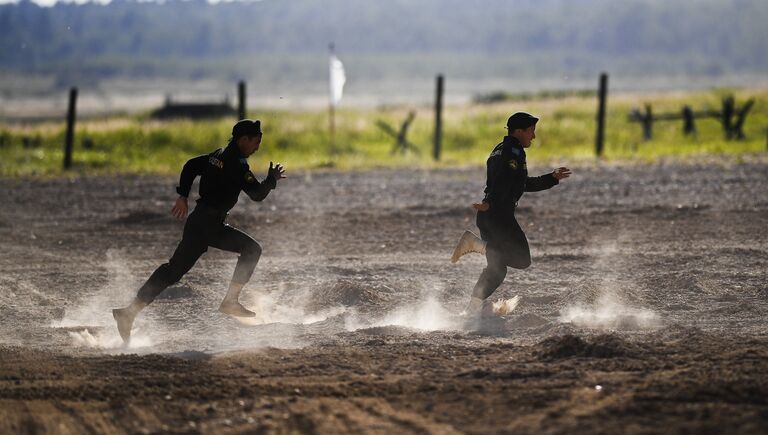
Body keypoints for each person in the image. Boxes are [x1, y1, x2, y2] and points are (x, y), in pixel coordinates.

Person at [112, 119, 286, 343]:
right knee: (252, 250)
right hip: (208, 224)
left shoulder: (218, 155)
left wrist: (183, 195)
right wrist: (271, 180)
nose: (258, 146)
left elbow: (191, 165)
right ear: (244, 140)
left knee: (172, 271)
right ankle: (230, 302)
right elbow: (257, 195)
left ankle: (128, 313)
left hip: (202, 223)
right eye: (256, 141)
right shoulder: (237, 164)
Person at [450, 112, 571, 316]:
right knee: (522, 259)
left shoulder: (501, 149)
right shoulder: (512, 152)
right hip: (498, 215)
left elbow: (519, 183)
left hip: (491, 215)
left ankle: (473, 308)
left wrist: (551, 178)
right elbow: (502, 180)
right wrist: (490, 202)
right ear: (519, 131)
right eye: (531, 131)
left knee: (497, 269)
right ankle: (477, 244)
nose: (533, 136)